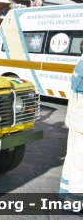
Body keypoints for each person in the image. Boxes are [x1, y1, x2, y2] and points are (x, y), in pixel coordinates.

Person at [58, 40, 83, 216]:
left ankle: (63, 193)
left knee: (72, 157)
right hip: (81, 122)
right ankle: (74, 202)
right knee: (80, 164)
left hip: (76, 120)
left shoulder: (80, 62)